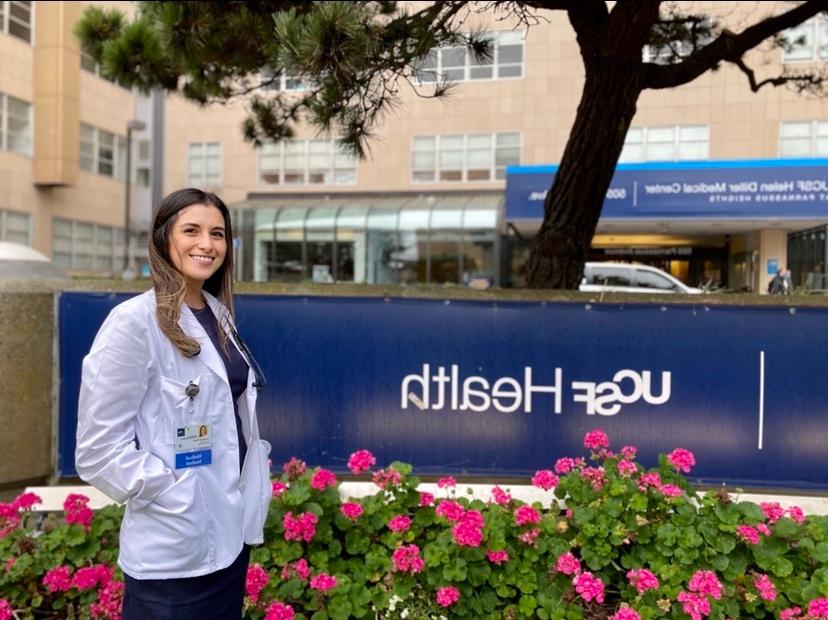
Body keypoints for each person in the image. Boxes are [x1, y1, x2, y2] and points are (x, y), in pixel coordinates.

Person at [75, 188, 272, 619]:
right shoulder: (133, 323)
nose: (207, 244)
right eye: (192, 230)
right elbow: (97, 452)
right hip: (172, 555)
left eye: (217, 233)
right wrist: (177, 494)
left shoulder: (219, 314)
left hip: (229, 539)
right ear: (164, 239)